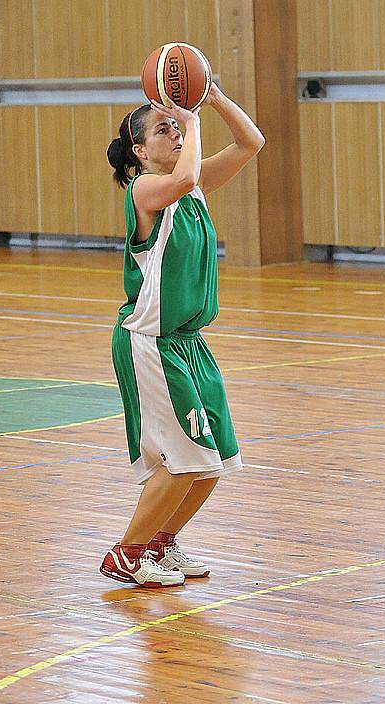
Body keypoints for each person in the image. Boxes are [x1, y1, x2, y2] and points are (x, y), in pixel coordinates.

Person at [101, 82, 264, 586]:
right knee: (181, 458)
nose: (173, 134)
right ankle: (126, 554)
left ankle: (160, 544)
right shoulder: (146, 189)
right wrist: (191, 123)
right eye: (162, 129)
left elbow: (251, 142)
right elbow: (188, 171)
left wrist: (211, 97)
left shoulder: (190, 186)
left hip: (191, 343)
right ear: (139, 150)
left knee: (213, 461)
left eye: (175, 127)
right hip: (150, 341)